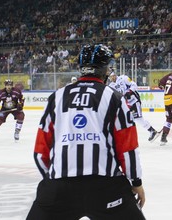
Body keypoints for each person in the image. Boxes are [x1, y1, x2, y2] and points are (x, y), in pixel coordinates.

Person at [27, 44, 146, 220]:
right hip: (106, 188)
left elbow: (40, 151)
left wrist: (53, 179)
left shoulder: (57, 97)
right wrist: (136, 182)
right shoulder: (114, 98)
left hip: (58, 190)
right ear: (105, 69)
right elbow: (128, 148)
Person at [114, 74, 159, 142]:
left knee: (138, 118)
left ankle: (152, 131)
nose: (110, 78)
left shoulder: (123, 78)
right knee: (125, 119)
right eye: (109, 77)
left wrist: (129, 92)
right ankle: (126, 137)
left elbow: (134, 84)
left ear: (114, 75)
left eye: (111, 76)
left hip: (134, 101)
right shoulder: (112, 85)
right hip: (126, 104)